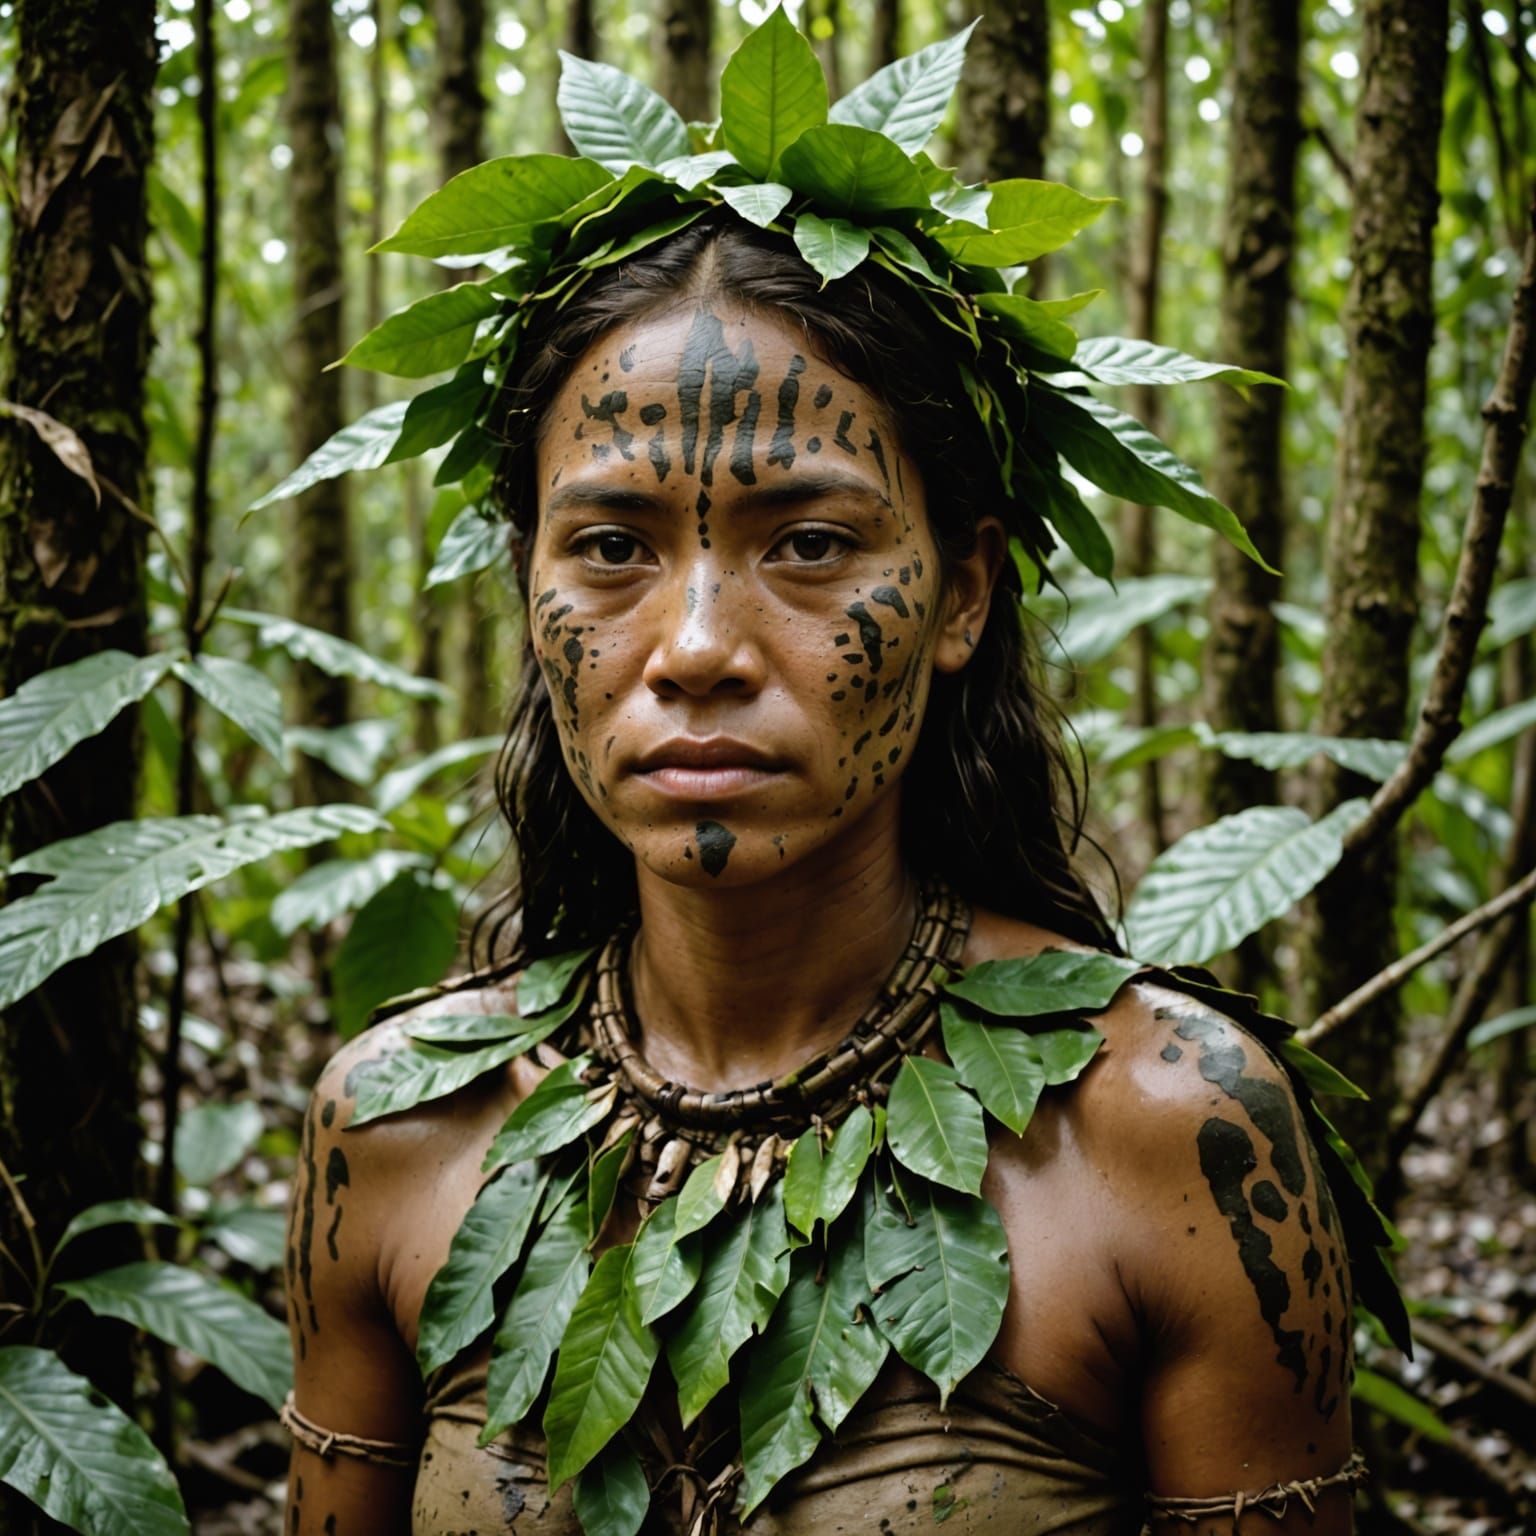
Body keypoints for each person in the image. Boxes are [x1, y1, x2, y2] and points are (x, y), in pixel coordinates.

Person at [279, 24, 1393, 1534]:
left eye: (809, 543)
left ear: (961, 593)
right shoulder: (392, 1123)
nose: (696, 649)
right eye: (609, 547)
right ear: (529, 587)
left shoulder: (1177, 1131)